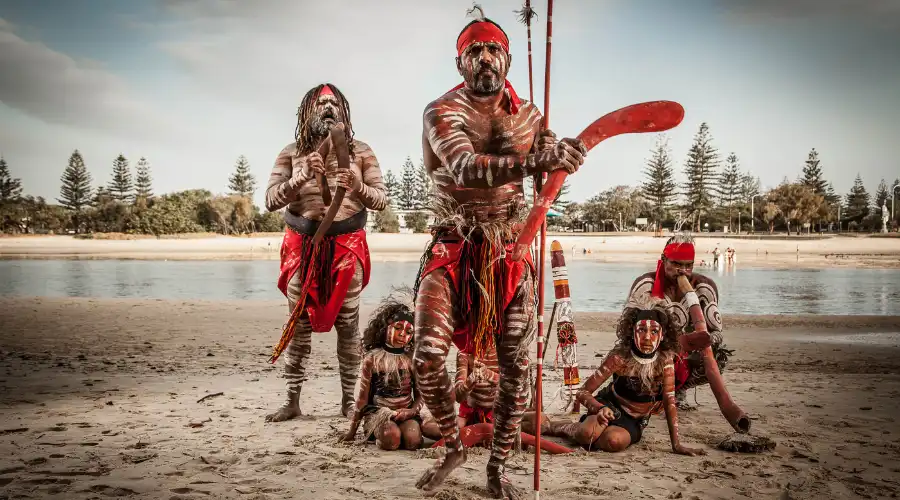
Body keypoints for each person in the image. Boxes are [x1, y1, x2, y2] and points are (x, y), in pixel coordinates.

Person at [411, 6, 587, 498]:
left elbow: (547, 177)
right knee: (426, 357)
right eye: (475, 52)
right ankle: (453, 444)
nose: (485, 59)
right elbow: (465, 168)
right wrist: (536, 158)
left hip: (511, 252)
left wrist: (563, 157)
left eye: (493, 50)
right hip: (454, 246)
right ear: (460, 63)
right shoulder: (441, 110)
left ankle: (499, 463)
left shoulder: (531, 115)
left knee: (517, 368)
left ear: (507, 58)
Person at [264, 83, 389, 421]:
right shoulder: (292, 152)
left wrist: (357, 185)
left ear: (344, 112)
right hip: (301, 249)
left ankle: (350, 402)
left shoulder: (361, 152)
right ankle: (292, 400)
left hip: (346, 250)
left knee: (349, 328)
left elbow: (381, 199)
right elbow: (270, 199)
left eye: (335, 104)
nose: (329, 108)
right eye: (321, 104)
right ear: (308, 111)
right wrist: (298, 178)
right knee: (299, 326)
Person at [523, 295, 704, 455]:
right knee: (587, 434)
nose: (647, 337)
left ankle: (576, 430)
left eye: (654, 331)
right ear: (631, 332)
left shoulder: (665, 361)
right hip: (608, 406)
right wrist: (599, 408)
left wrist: (677, 444)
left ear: (663, 335)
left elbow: (669, 401)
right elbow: (583, 392)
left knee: (613, 441)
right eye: (641, 330)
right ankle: (554, 426)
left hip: (634, 419)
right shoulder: (619, 358)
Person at [626, 233, 733, 410]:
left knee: (719, 357)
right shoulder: (646, 284)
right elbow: (627, 330)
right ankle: (649, 391)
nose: (682, 270)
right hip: (650, 351)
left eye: (688, 265)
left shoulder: (704, 287)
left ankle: (679, 390)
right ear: (663, 259)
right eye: (676, 264)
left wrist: (704, 339)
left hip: (685, 355)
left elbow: (717, 334)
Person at [342, 288, 426, 450]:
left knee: (413, 441)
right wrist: (352, 431)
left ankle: (404, 432)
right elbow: (362, 399)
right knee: (391, 440)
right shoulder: (372, 359)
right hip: (379, 414)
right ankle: (381, 434)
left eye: (409, 331)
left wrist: (412, 411)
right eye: (398, 328)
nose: (403, 334)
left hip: (405, 414)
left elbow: (420, 395)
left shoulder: (411, 360)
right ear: (385, 328)